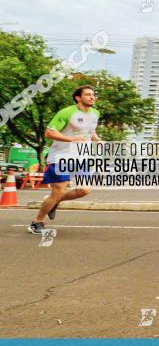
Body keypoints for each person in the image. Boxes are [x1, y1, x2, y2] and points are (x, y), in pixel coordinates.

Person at [28, 85, 100, 235]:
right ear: (78, 97)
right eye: (88, 95)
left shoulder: (95, 113)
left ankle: (55, 202)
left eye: (93, 95)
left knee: (84, 189)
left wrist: (98, 141)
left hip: (82, 158)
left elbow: (90, 132)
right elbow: (49, 133)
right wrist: (71, 139)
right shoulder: (67, 112)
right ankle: (37, 221)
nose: (92, 97)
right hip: (61, 157)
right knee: (58, 191)